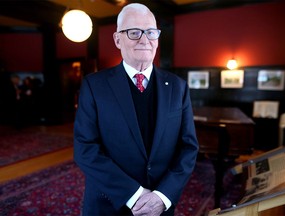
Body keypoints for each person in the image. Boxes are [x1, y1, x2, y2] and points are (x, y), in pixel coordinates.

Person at [74, 3, 199, 216]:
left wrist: (162, 196)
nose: (144, 39)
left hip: (160, 206)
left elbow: (188, 148)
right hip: (108, 204)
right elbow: (85, 149)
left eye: (151, 32)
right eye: (134, 32)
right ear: (117, 39)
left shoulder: (178, 87)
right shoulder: (94, 85)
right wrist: (135, 194)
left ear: (157, 38)